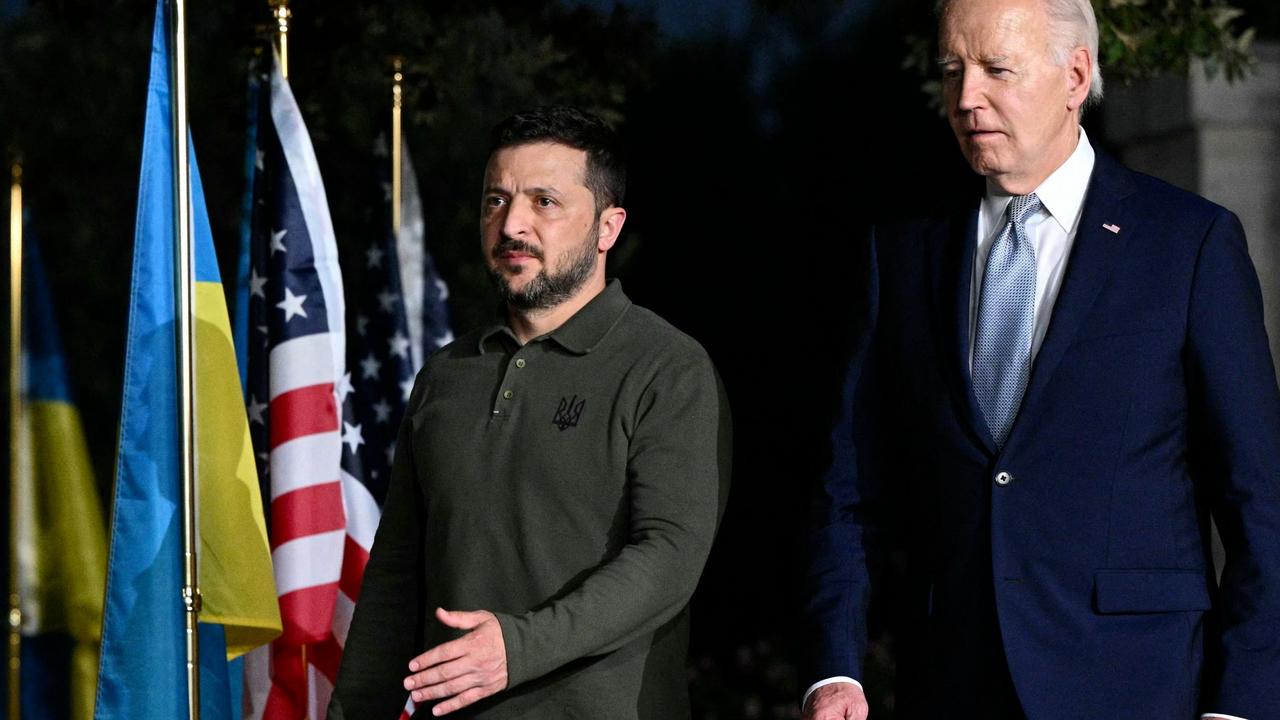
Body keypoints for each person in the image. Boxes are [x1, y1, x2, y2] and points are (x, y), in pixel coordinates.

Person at [803, 0, 1280, 718]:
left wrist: (1241, 702)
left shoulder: (1188, 244)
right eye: (953, 70)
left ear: (1075, 76)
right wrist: (835, 668)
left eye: (998, 69)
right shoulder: (902, 252)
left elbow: (1258, 500)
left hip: (1140, 686)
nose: (966, 98)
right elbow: (849, 482)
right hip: (952, 682)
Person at [327, 106, 732, 719]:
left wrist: (515, 648)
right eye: (496, 200)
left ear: (607, 227)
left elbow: (669, 558)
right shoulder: (446, 376)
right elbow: (395, 579)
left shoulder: (666, 367)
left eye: (544, 202)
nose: (511, 223)